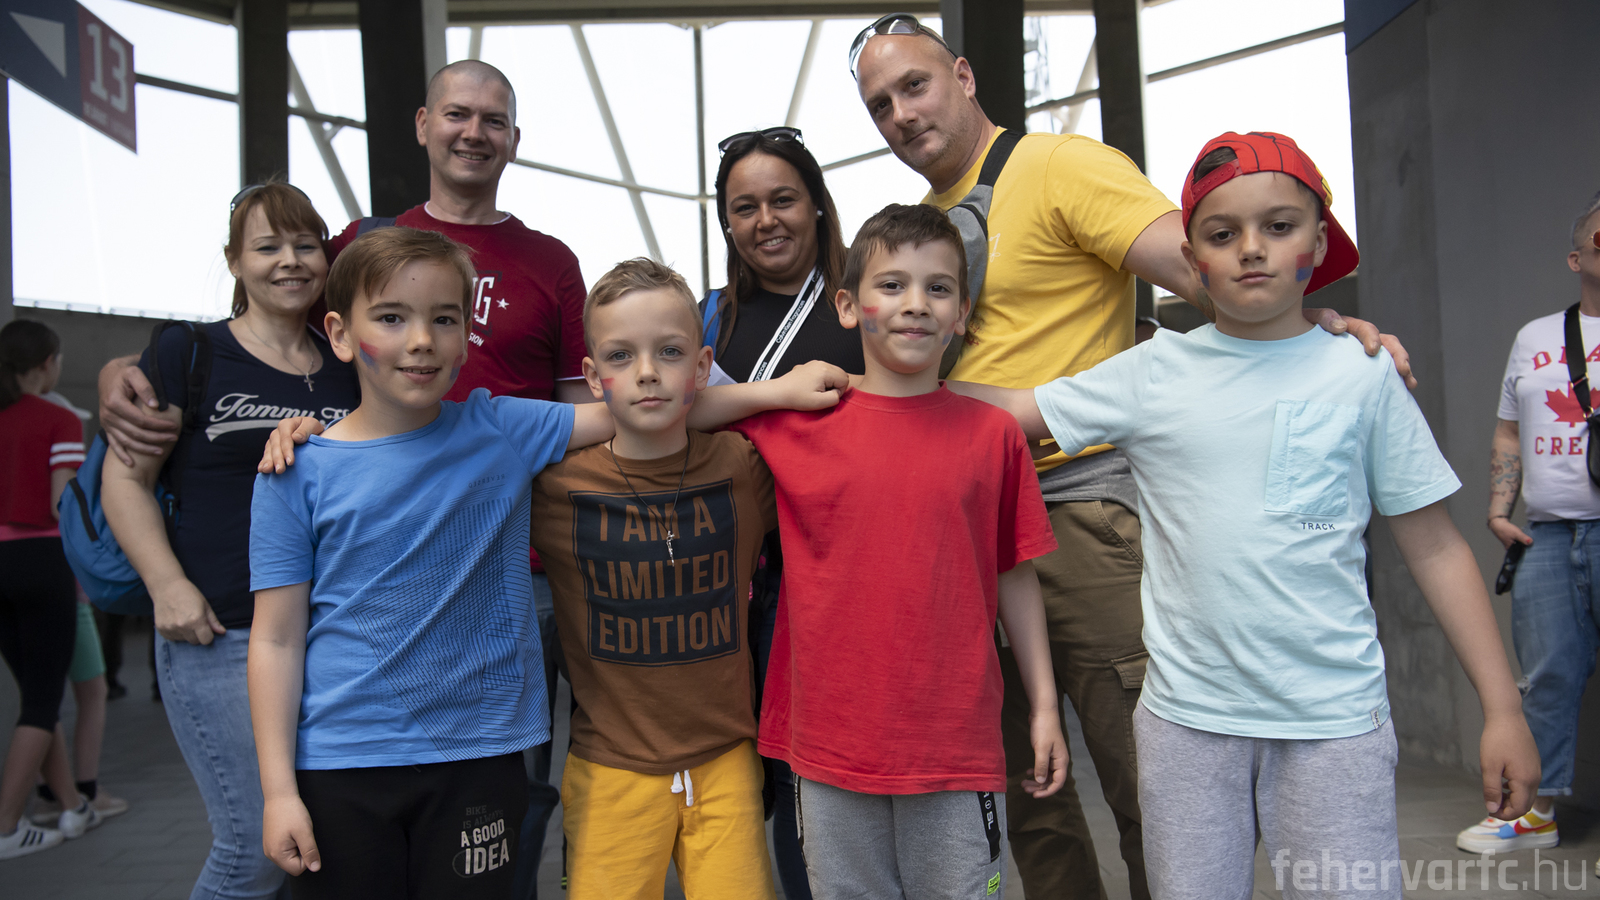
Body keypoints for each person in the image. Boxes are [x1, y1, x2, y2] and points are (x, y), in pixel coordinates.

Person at [849, 15, 1412, 898]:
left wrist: (1310, 332)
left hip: (1077, 508)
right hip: (964, 519)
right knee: (1026, 793)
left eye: (913, 86)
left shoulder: (1057, 166)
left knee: (1151, 789)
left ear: (962, 75)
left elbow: (1207, 271)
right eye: (880, 105)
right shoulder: (924, 228)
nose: (900, 114)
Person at [951, 131, 1540, 900]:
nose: (1252, 248)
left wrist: (1502, 709)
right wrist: (878, 374)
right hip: (1186, 729)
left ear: (1318, 243)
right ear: (1192, 258)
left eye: (1279, 226)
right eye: (1222, 234)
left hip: (1334, 728)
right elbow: (1006, 412)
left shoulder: (1361, 375)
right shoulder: (1153, 372)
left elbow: (1436, 547)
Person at [97, 61, 589, 897]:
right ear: (423, 123)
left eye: (494, 119)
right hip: (297, 615)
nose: (474, 133)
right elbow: (266, 319)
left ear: (515, 138)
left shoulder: (548, 265)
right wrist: (132, 368)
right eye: (457, 114)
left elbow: (586, 412)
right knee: (280, 841)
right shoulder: (358, 247)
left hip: (491, 586)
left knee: (500, 817)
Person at [246, 228, 844, 898]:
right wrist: (277, 791)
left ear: (466, 337)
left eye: (443, 319)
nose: (420, 340)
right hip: (343, 762)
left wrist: (775, 391)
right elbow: (275, 640)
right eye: (391, 318)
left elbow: (644, 406)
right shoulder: (294, 472)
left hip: (481, 754)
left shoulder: (500, 430)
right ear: (339, 332)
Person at [730, 203, 1066, 900]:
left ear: (961, 314)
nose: (915, 303)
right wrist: (777, 388)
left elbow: (1014, 573)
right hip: (829, 744)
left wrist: (1043, 706)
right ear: (849, 306)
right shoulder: (796, 424)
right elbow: (682, 409)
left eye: (937, 288)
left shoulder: (993, 436)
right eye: (892, 285)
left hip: (955, 746)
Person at [100, 182, 362, 899]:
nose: (290, 261)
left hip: (325, 636)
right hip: (219, 633)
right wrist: (167, 586)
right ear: (234, 261)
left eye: (305, 245)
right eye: (268, 247)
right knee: (253, 847)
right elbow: (125, 480)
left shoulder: (346, 364)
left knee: (314, 842)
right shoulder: (192, 353)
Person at [531, 259, 777, 900]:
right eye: (622, 355)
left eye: (669, 351)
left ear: (701, 367)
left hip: (727, 763)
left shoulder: (744, 465)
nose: (646, 372)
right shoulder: (552, 486)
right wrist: (314, 433)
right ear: (593, 378)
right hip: (611, 770)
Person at [702, 125, 858, 900]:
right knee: (787, 782)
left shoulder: (863, 303)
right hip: (751, 590)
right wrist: (778, 394)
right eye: (745, 207)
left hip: (855, 579)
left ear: (817, 205)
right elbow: (672, 412)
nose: (766, 220)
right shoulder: (710, 318)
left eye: (784, 200)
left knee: (863, 776)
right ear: (727, 223)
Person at [1455, 190, 1600, 857]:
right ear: (1576, 257)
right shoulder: (1536, 337)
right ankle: (1535, 814)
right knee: (1545, 676)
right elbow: (1509, 431)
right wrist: (1498, 509)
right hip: (1546, 533)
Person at [0, 318, 99, 859]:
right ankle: (6, 826)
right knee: (43, 700)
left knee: (33, 695)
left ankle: (71, 805)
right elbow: (64, 503)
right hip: (40, 561)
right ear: (46, 364)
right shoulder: (57, 419)